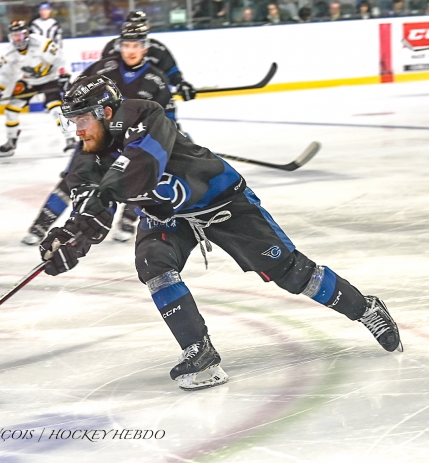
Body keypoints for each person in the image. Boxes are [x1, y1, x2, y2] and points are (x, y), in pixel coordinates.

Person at [38, 75, 402, 391]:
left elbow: (142, 166)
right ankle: (199, 351)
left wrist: (103, 194)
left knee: (291, 274)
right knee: (153, 264)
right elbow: (90, 206)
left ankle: (364, 308)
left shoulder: (145, 115)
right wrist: (72, 237)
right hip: (170, 215)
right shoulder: (89, 151)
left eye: (82, 119)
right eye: (73, 121)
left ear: (106, 112)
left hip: (223, 203)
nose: (77, 130)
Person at [20, 22, 175, 246]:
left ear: (145, 48)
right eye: (127, 45)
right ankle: (41, 225)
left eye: (136, 45)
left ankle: (127, 221)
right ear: (120, 46)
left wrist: (169, 136)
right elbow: (77, 91)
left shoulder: (157, 79)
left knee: (139, 179)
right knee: (73, 179)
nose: (131, 50)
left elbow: (167, 118)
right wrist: (66, 87)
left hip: (132, 143)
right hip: (96, 138)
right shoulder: (104, 69)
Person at [0, 19, 75, 158]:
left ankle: (70, 139)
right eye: (15, 35)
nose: (18, 38)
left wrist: (64, 75)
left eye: (20, 34)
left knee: (56, 109)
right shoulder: (9, 52)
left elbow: (59, 58)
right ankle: (11, 141)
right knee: (11, 110)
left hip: (49, 78)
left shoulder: (41, 43)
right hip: (29, 81)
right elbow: (4, 73)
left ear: (27, 34)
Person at [101, 11, 197, 102]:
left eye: (140, 25)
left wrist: (180, 83)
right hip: (118, 99)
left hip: (149, 100)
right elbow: (102, 72)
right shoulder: (111, 48)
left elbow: (171, 71)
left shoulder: (157, 49)